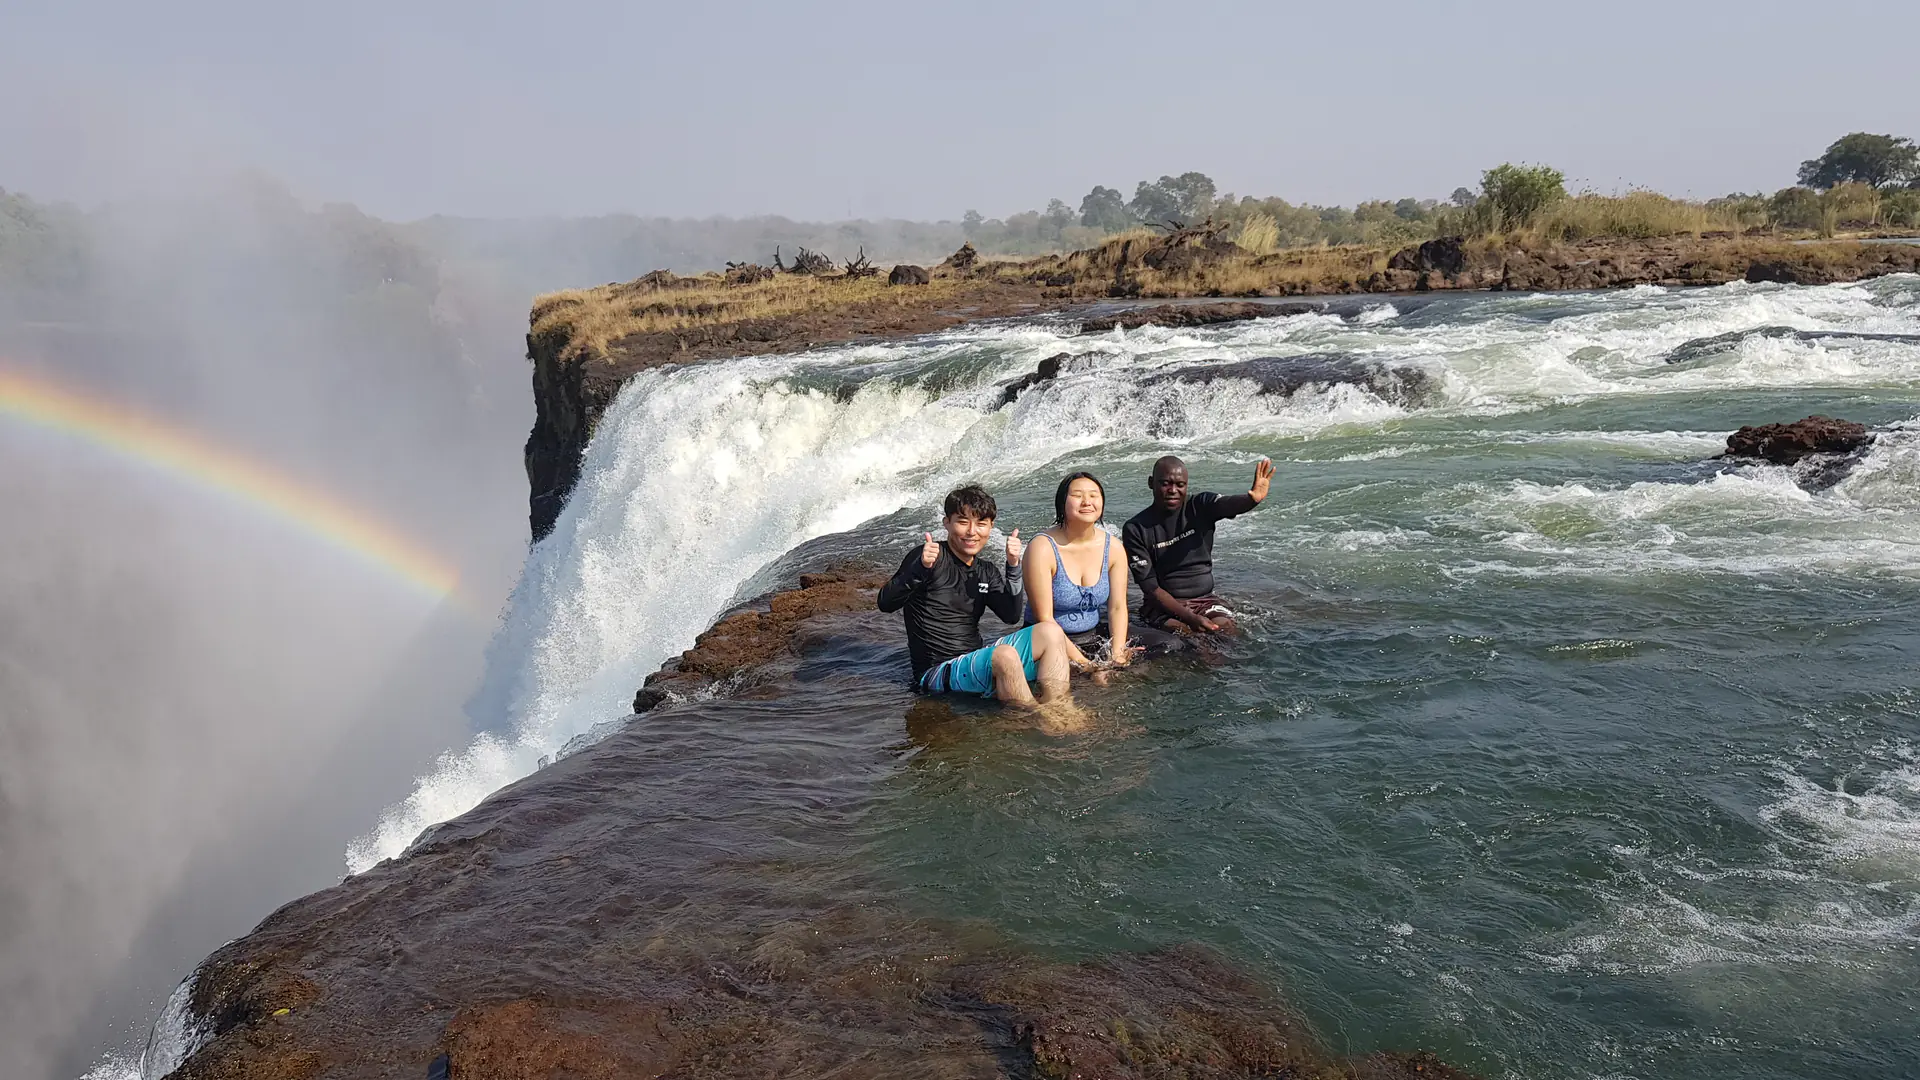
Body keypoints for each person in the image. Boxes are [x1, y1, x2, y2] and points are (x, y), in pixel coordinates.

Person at [877, 484, 1079, 709]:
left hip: (974, 662)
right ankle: (1033, 717)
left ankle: (1061, 708)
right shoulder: (928, 558)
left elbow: (1011, 616)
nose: (972, 531)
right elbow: (885, 603)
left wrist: (1013, 566)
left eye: (981, 523)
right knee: (1005, 656)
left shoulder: (986, 570)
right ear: (947, 523)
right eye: (963, 522)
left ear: (991, 527)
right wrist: (920, 569)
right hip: (935, 673)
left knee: (1051, 631)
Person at [1023, 471, 1186, 664]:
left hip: (1091, 635)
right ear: (1062, 502)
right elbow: (1045, 619)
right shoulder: (1042, 548)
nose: (1086, 502)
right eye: (1077, 496)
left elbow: (1117, 607)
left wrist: (1116, 654)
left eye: (1094, 495)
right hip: (1048, 640)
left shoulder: (1113, 547)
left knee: (1170, 645)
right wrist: (1085, 664)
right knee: (1079, 674)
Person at [1122, 455, 1275, 634]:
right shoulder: (1136, 528)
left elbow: (1227, 505)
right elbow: (1151, 588)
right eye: (1165, 483)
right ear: (1151, 483)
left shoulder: (1199, 506)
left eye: (1180, 485)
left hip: (1206, 600)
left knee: (1224, 629)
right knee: (1185, 635)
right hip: (1163, 606)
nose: (1173, 490)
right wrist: (1190, 618)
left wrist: (1251, 500)